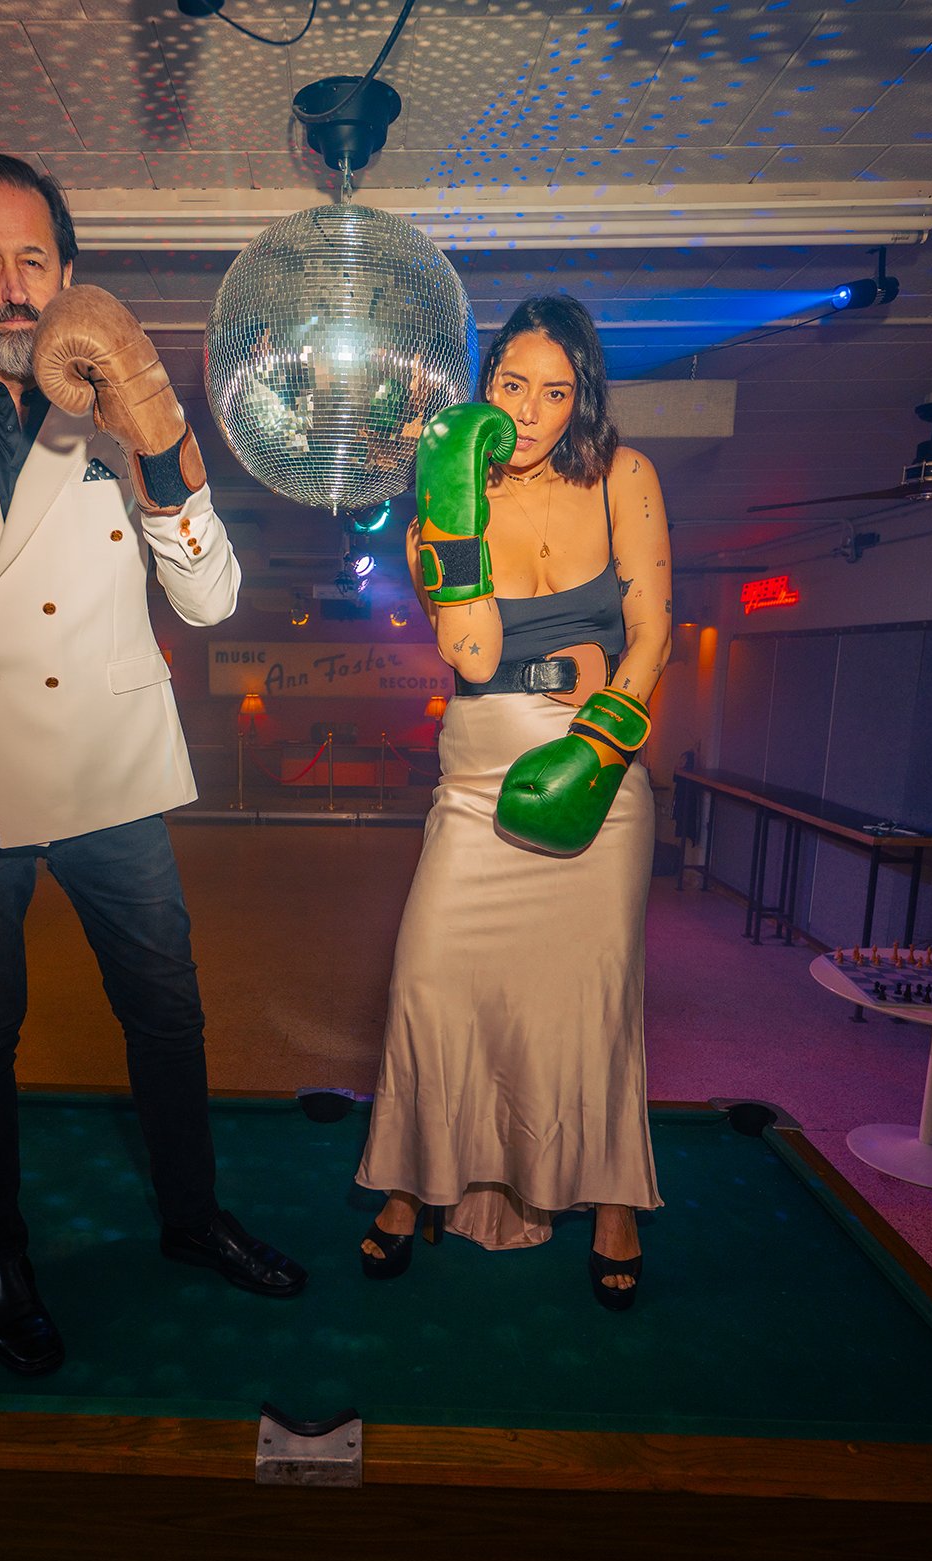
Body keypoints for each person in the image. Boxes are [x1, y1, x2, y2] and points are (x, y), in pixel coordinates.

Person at [0, 153, 305, 1377]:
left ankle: (191, 1219)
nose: (12, 285)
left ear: (65, 270)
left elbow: (212, 598)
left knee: (167, 1007)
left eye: (33, 258)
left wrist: (166, 437)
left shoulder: (117, 393)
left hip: (106, 765)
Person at [355, 294, 672, 1310]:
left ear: (581, 397)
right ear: (482, 387)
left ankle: (612, 1199)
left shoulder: (624, 475)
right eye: (510, 387)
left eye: (554, 391)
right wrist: (453, 496)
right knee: (431, 981)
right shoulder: (443, 506)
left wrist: (598, 747)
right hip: (480, 770)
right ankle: (414, 1181)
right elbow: (477, 652)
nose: (529, 412)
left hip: (597, 765)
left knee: (591, 999)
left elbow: (654, 633)